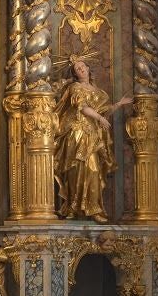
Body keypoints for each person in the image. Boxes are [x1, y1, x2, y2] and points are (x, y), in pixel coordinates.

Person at [54, 58, 130, 222]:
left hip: (93, 136)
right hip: (77, 134)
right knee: (76, 170)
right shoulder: (75, 88)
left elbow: (104, 113)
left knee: (94, 170)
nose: (80, 69)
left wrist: (119, 104)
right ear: (74, 74)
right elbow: (82, 107)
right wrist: (99, 118)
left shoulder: (99, 93)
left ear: (88, 69)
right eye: (77, 68)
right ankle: (73, 206)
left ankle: (94, 209)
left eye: (82, 66)